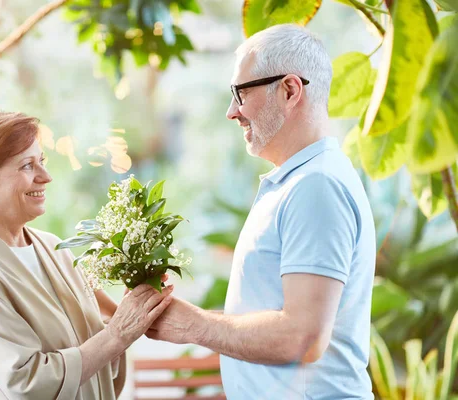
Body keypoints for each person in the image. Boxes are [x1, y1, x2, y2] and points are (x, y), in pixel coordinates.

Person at [147, 24, 376, 399]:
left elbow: (301, 337)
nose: (231, 112)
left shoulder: (316, 187)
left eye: (241, 93)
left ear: (289, 90)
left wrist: (194, 326)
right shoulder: (297, 182)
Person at [0, 110, 173, 399]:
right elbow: (23, 385)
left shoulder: (54, 250)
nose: (45, 177)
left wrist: (133, 313)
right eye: (26, 166)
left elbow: (97, 358)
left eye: (42, 162)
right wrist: (116, 335)